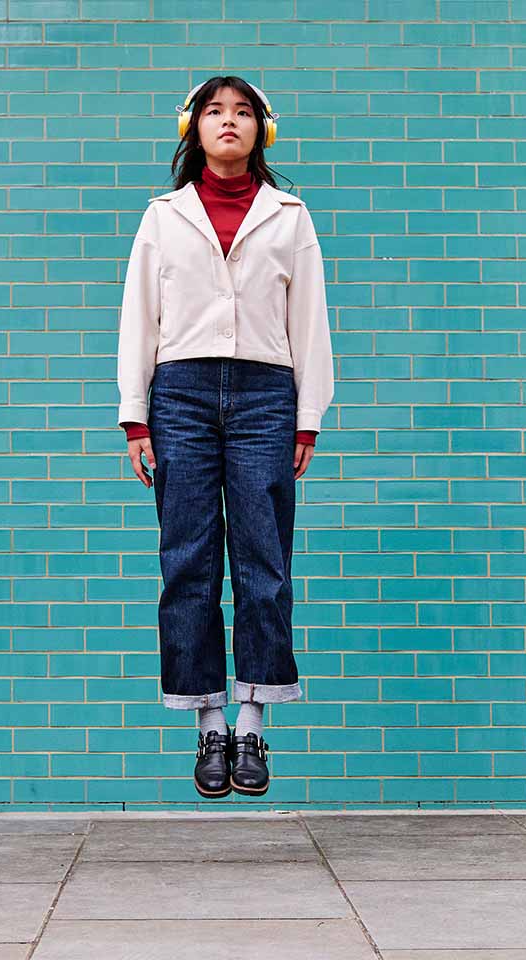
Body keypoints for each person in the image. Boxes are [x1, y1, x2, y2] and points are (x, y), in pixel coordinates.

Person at [116, 75, 334, 799]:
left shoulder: (291, 216)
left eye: (242, 112)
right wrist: (136, 416)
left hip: (265, 396)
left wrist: (307, 416)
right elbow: (137, 318)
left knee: (263, 561)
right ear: (194, 128)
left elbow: (311, 323)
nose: (229, 122)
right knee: (187, 558)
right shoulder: (162, 217)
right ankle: (207, 721)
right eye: (215, 112)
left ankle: (252, 722)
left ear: (262, 131)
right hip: (178, 394)